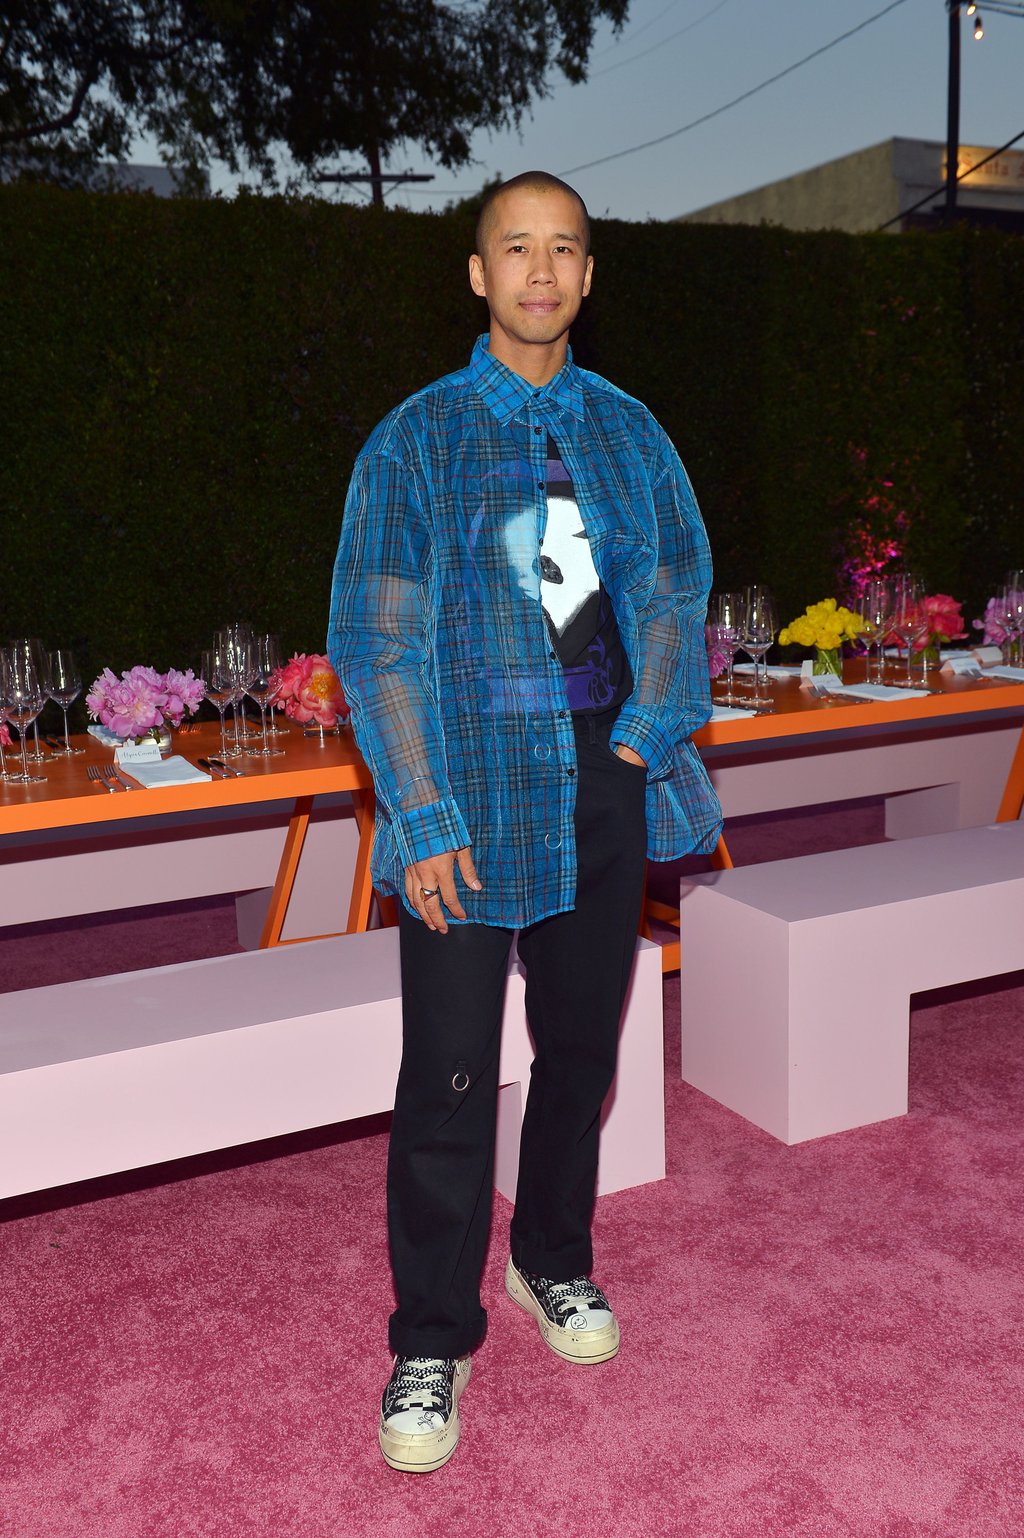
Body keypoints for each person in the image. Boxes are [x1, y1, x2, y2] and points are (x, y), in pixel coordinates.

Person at [327, 170, 721, 1474]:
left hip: (599, 780)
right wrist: (422, 808)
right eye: (517, 247)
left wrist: (641, 736)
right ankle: (431, 1332)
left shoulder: (631, 432)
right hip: (467, 792)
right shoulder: (416, 438)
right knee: (446, 1078)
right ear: (478, 271)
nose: (542, 269)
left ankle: (551, 1257)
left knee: (579, 1055)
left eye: (566, 249)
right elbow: (375, 641)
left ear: (589, 277)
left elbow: (675, 589)